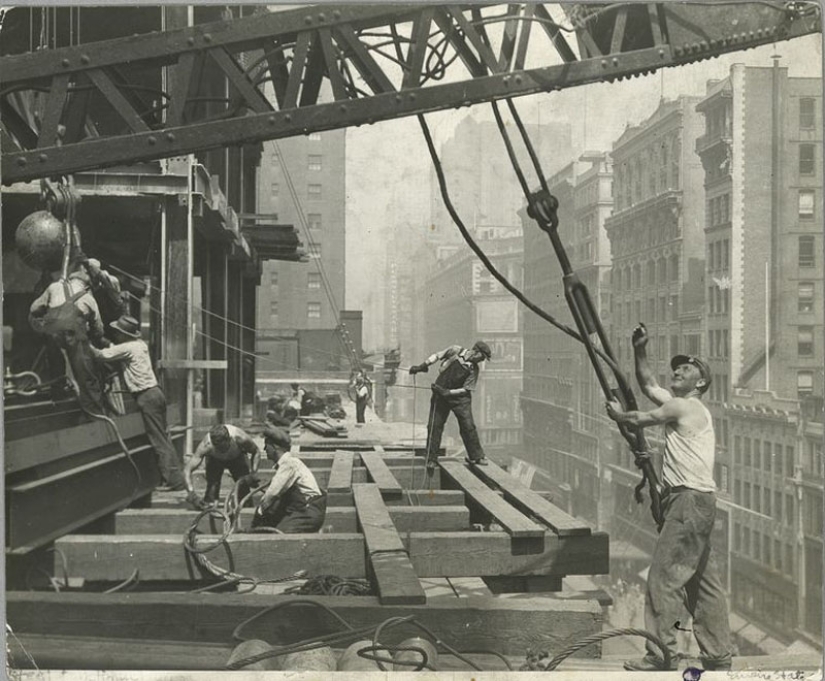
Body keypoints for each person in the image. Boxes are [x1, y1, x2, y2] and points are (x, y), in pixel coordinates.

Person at [604, 323, 733, 672]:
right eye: (677, 367)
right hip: (699, 503)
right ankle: (718, 654)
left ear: (701, 383)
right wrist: (640, 348)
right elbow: (647, 384)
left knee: (663, 578)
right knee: (703, 582)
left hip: (688, 502)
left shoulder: (686, 408)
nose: (678, 370)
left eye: (687, 369)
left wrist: (619, 415)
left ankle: (662, 654)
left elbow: (640, 419)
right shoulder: (682, 405)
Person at [89, 314, 185, 491]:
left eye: (117, 332)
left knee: (158, 440)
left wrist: (82, 340)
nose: (116, 335)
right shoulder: (139, 345)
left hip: (146, 397)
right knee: (163, 437)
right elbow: (115, 348)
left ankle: (174, 482)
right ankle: (176, 478)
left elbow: (100, 355)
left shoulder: (128, 347)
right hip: (156, 393)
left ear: (123, 334)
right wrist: (102, 339)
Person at [29, 262, 108, 411]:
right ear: (87, 284)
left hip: (53, 336)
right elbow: (99, 330)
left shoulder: (53, 287)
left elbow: (34, 308)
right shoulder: (88, 298)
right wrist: (93, 336)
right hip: (75, 338)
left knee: (56, 371)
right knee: (87, 377)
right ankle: (93, 413)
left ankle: (59, 405)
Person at [409, 340, 492, 467]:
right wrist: (422, 366)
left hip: (460, 398)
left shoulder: (473, 369)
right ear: (476, 352)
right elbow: (437, 356)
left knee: (468, 426)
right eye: (483, 357)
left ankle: (477, 456)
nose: (482, 360)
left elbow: (466, 389)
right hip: (440, 392)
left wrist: (448, 392)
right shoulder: (456, 350)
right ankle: (431, 458)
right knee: (434, 426)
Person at [251, 426, 327, 533]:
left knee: (280, 536)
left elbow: (272, 494)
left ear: (275, 447)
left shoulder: (288, 464)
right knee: (272, 527)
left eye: (266, 445)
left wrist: (259, 514)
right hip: (304, 510)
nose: (264, 449)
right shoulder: (287, 464)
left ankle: (318, 534)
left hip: (308, 512)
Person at [184, 423, 261, 510]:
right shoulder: (206, 445)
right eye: (217, 447)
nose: (221, 450)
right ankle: (210, 506)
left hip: (236, 458)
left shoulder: (240, 438)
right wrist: (191, 494)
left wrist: (253, 473)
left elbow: (256, 451)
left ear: (229, 439)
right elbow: (187, 470)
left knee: (245, 498)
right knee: (210, 500)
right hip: (215, 460)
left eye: (223, 447)